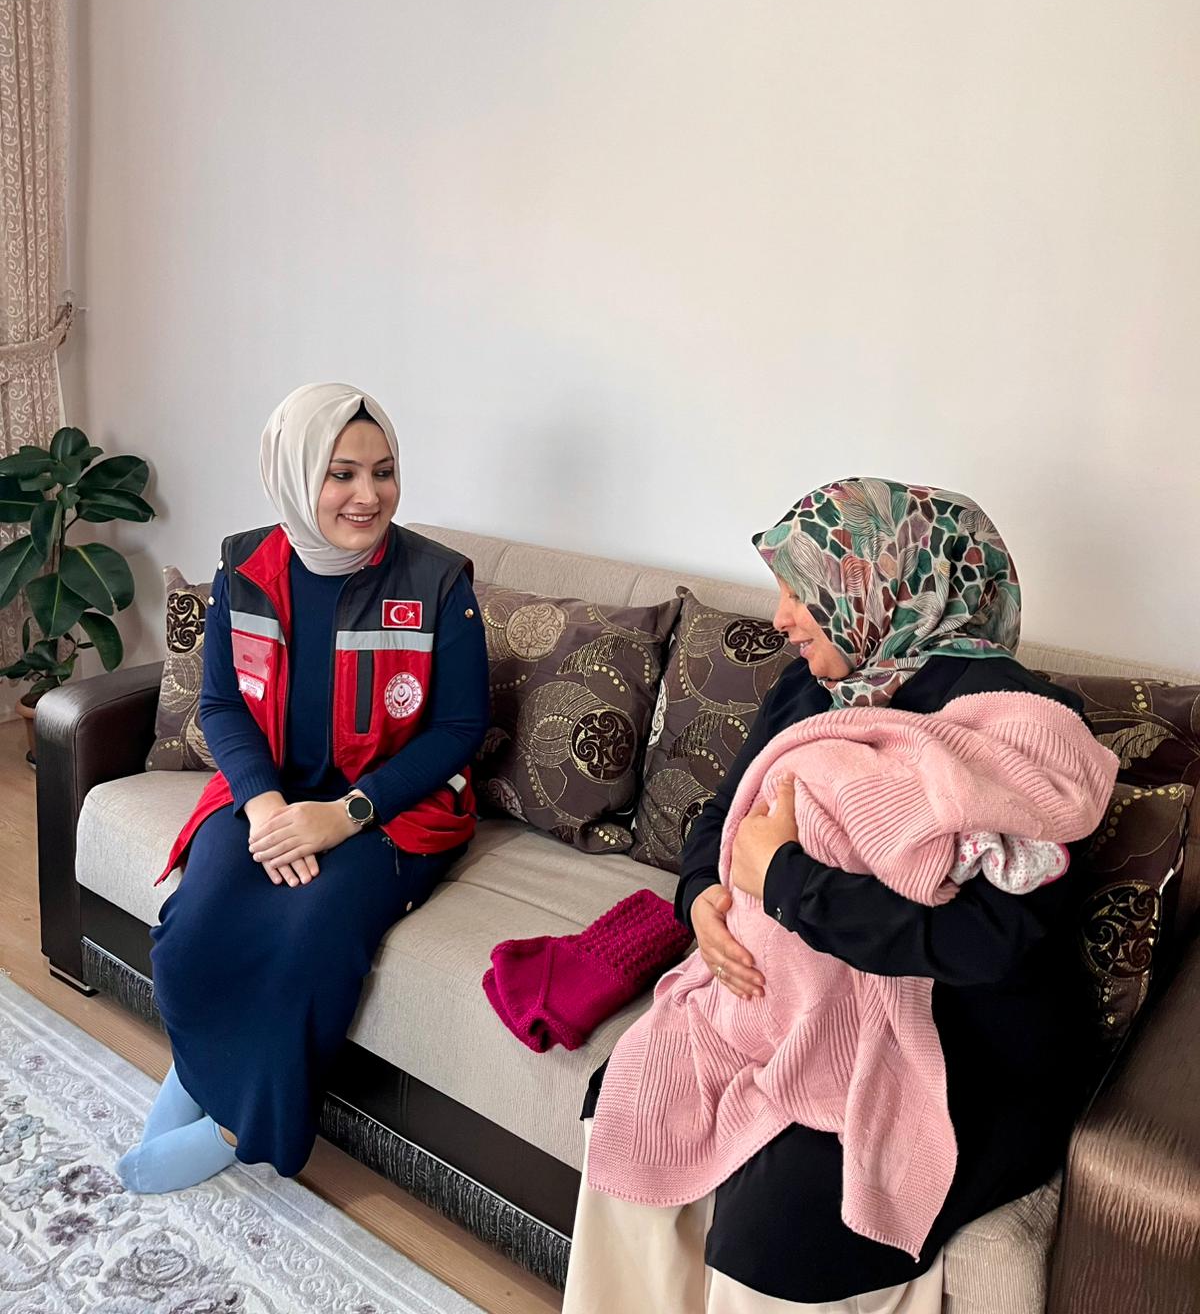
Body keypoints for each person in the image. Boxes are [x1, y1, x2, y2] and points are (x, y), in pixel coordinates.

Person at [564, 479, 1109, 1314]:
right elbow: (722, 814)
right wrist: (702, 897)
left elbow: (986, 943)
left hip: (969, 1048)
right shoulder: (815, 687)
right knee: (628, 1100)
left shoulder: (1024, 726)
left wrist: (784, 880)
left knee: (777, 1232)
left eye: (799, 591)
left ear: (878, 584)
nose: (781, 617)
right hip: (801, 1013)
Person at [117, 382, 489, 1193]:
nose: (369, 495)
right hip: (271, 795)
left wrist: (346, 815)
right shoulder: (244, 566)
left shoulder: (438, 582)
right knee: (188, 932)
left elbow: (461, 729)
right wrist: (264, 806)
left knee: (307, 938)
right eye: (341, 474)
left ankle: (235, 1124)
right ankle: (202, 1072)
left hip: (393, 812)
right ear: (293, 474)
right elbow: (222, 704)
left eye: (383, 472)